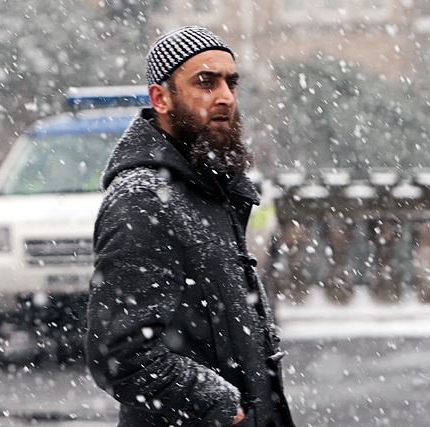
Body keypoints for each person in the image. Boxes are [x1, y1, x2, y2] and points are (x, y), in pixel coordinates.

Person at [85, 26, 296, 427]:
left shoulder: (209, 187)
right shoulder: (143, 197)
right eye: (205, 82)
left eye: (230, 82)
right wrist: (223, 409)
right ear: (160, 98)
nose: (225, 97)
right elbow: (119, 355)